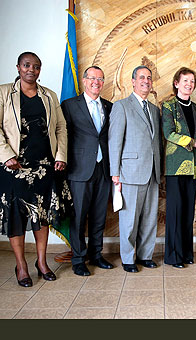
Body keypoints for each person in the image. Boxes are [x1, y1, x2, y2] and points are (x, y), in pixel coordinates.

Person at [0, 52, 71, 286]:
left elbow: (61, 127)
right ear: (18, 67)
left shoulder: (49, 96)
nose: (32, 69)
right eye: (27, 65)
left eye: (36, 66)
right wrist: (7, 155)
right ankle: (21, 266)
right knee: (17, 219)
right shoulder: (3, 92)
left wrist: (60, 155)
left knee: (42, 217)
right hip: (14, 168)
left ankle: (41, 262)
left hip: (44, 167)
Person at [61, 66, 113, 276]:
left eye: (100, 79)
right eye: (92, 78)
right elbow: (62, 136)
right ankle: (78, 258)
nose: (96, 82)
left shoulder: (109, 106)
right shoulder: (69, 105)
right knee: (79, 216)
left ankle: (96, 254)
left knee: (99, 215)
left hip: (103, 168)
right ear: (84, 81)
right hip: (79, 169)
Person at [108, 65, 161, 273]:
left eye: (149, 78)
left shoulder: (155, 109)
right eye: (141, 78)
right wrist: (115, 173)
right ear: (133, 81)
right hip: (130, 172)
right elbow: (115, 142)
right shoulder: (121, 106)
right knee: (129, 220)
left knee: (149, 218)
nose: (145, 81)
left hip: (152, 172)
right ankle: (128, 258)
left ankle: (145, 255)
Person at [162, 67, 196, 268]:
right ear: (176, 83)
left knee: (188, 211)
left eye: (192, 81)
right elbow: (168, 133)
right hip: (175, 167)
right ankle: (173, 256)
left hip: (195, 167)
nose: (189, 84)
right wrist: (193, 142)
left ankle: (187, 253)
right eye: (185, 81)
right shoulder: (168, 106)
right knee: (175, 211)